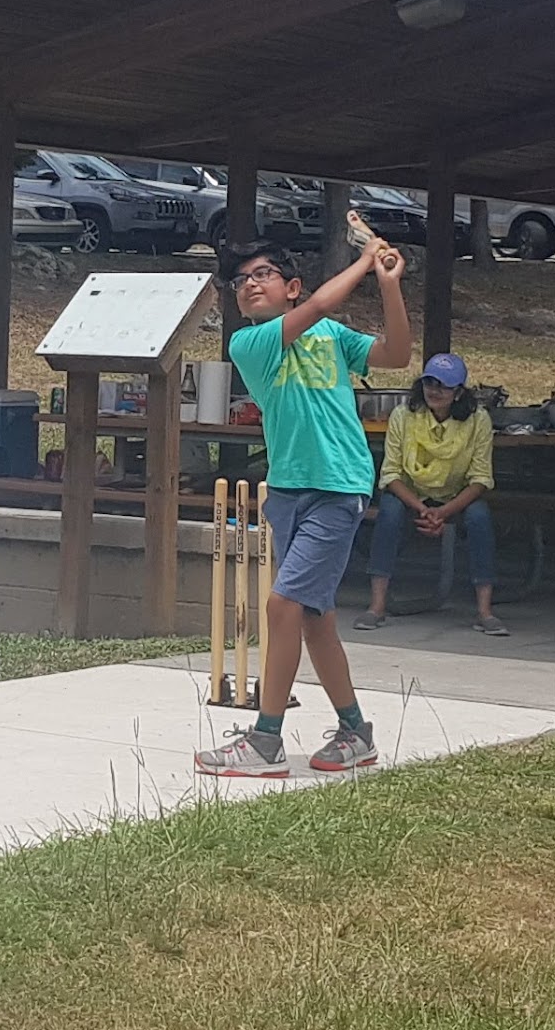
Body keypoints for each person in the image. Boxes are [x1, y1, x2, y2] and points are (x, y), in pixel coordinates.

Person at [200, 231, 412, 777]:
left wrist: (389, 286)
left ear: (289, 286)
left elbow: (396, 354)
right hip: (290, 490)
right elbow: (320, 303)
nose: (249, 285)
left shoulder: (332, 336)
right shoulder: (249, 343)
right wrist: (367, 261)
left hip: (338, 485)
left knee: (281, 606)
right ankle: (355, 732)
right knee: (315, 620)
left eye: (262, 275)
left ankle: (266, 741)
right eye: (241, 280)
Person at [354, 352, 503, 635]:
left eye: (444, 385)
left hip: (456, 495)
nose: (435, 390)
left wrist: (444, 512)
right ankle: (376, 605)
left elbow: (481, 479)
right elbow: (391, 474)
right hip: (411, 494)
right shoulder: (403, 415)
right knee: (390, 511)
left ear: (459, 392)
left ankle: (485, 611)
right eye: (429, 382)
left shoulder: (478, 420)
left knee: (480, 517)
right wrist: (422, 509)